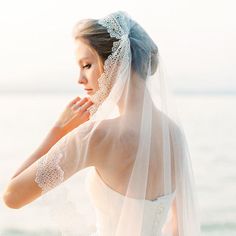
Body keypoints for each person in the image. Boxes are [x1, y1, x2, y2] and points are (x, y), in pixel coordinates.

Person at [2, 11, 201, 236]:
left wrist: (59, 130)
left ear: (116, 63)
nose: (80, 79)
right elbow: (179, 226)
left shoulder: (96, 136)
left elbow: (12, 196)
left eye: (86, 65)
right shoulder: (173, 134)